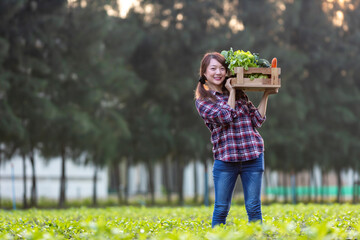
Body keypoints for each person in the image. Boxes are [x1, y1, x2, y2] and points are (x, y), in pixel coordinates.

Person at [194, 52, 278, 227]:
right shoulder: (203, 101)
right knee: (221, 208)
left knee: (254, 207)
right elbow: (225, 116)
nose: (218, 72)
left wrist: (266, 94)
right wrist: (232, 92)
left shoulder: (240, 95)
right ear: (204, 73)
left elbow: (257, 120)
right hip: (226, 159)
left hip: (252, 156)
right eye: (213, 68)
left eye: (222, 69)